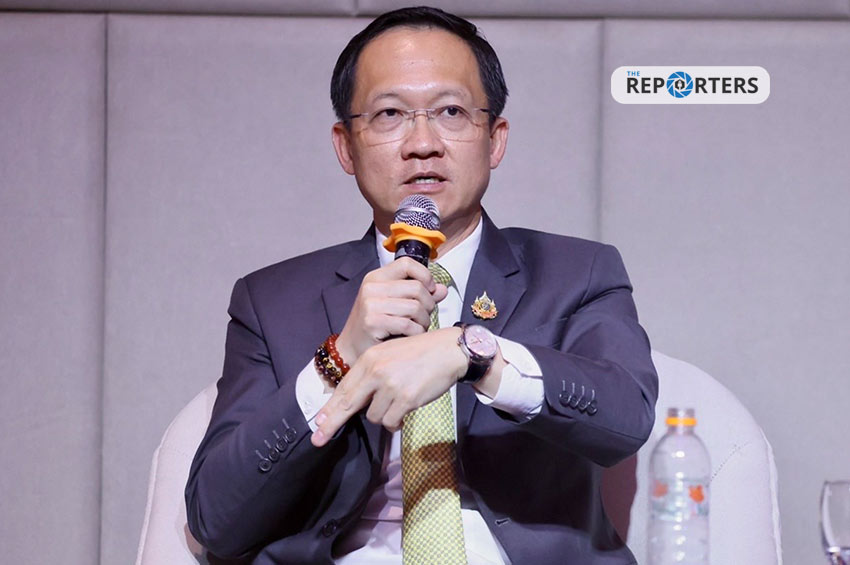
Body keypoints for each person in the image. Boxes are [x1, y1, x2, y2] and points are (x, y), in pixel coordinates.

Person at [185, 6, 657, 565]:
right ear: (346, 146)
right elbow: (216, 519)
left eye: (451, 111)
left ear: (495, 139)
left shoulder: (577, 271)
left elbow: (626, 419)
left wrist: (475, 355)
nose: (423, 143)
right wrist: (340, 357)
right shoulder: (271, 301)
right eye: (390, 113)